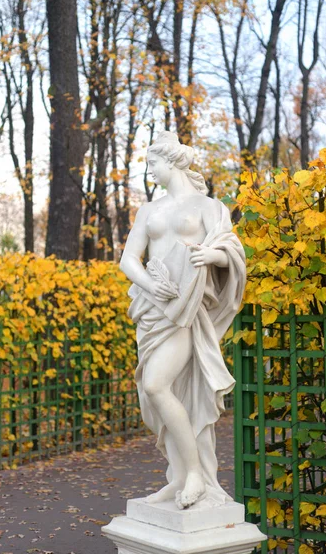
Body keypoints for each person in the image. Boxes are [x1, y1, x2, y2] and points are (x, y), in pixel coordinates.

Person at [119, 131, 246, 510]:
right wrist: (149, 286)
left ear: (171, 163)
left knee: (158, 385)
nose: (149, 170)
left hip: (187, 312)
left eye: (153, 163)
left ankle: (194, 475)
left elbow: (231, 252)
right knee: (156, 393)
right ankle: (178, 477)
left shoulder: (209, 207)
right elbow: (128, 259)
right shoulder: (149, 211)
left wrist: (213, 258)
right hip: (152, 309)